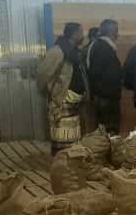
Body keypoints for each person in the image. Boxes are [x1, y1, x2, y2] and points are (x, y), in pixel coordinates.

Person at [36, 22, 88, 156]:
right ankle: (61, 160)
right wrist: (51, 93)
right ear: (74, 35)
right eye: (81, 33)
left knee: (72, 135)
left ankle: (70, 160)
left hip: (75, 100)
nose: (83, 36)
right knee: (62, 135)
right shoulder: (57, 52)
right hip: (62, 99)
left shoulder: (75, 52)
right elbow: (43, 74)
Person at [86, 19, 122, 134]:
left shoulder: (97, 45)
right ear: (112, 31)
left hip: (102, 95)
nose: (118, 33)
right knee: (109, 130)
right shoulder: (103, 48)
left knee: (103, 130)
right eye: (117, 30)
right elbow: (100, 73)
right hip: (106, 96)